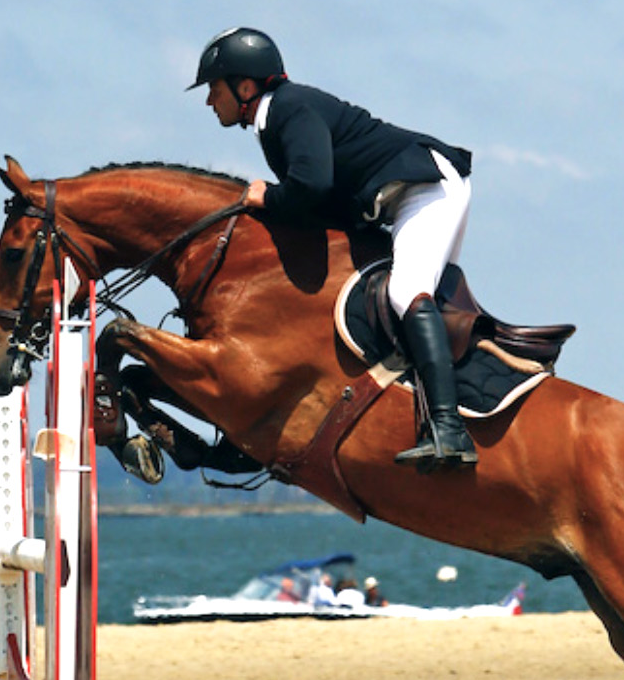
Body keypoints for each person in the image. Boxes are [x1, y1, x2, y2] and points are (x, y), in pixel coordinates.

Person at [192, 26, 479, 469]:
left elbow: (311, 186)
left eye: (214, 88)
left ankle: (449, 431)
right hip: (399, 198)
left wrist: (264, 197)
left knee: (407, 294)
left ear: (244, 87)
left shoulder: (289, 108)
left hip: (425, 189)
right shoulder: (276, 118)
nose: (210, 100)